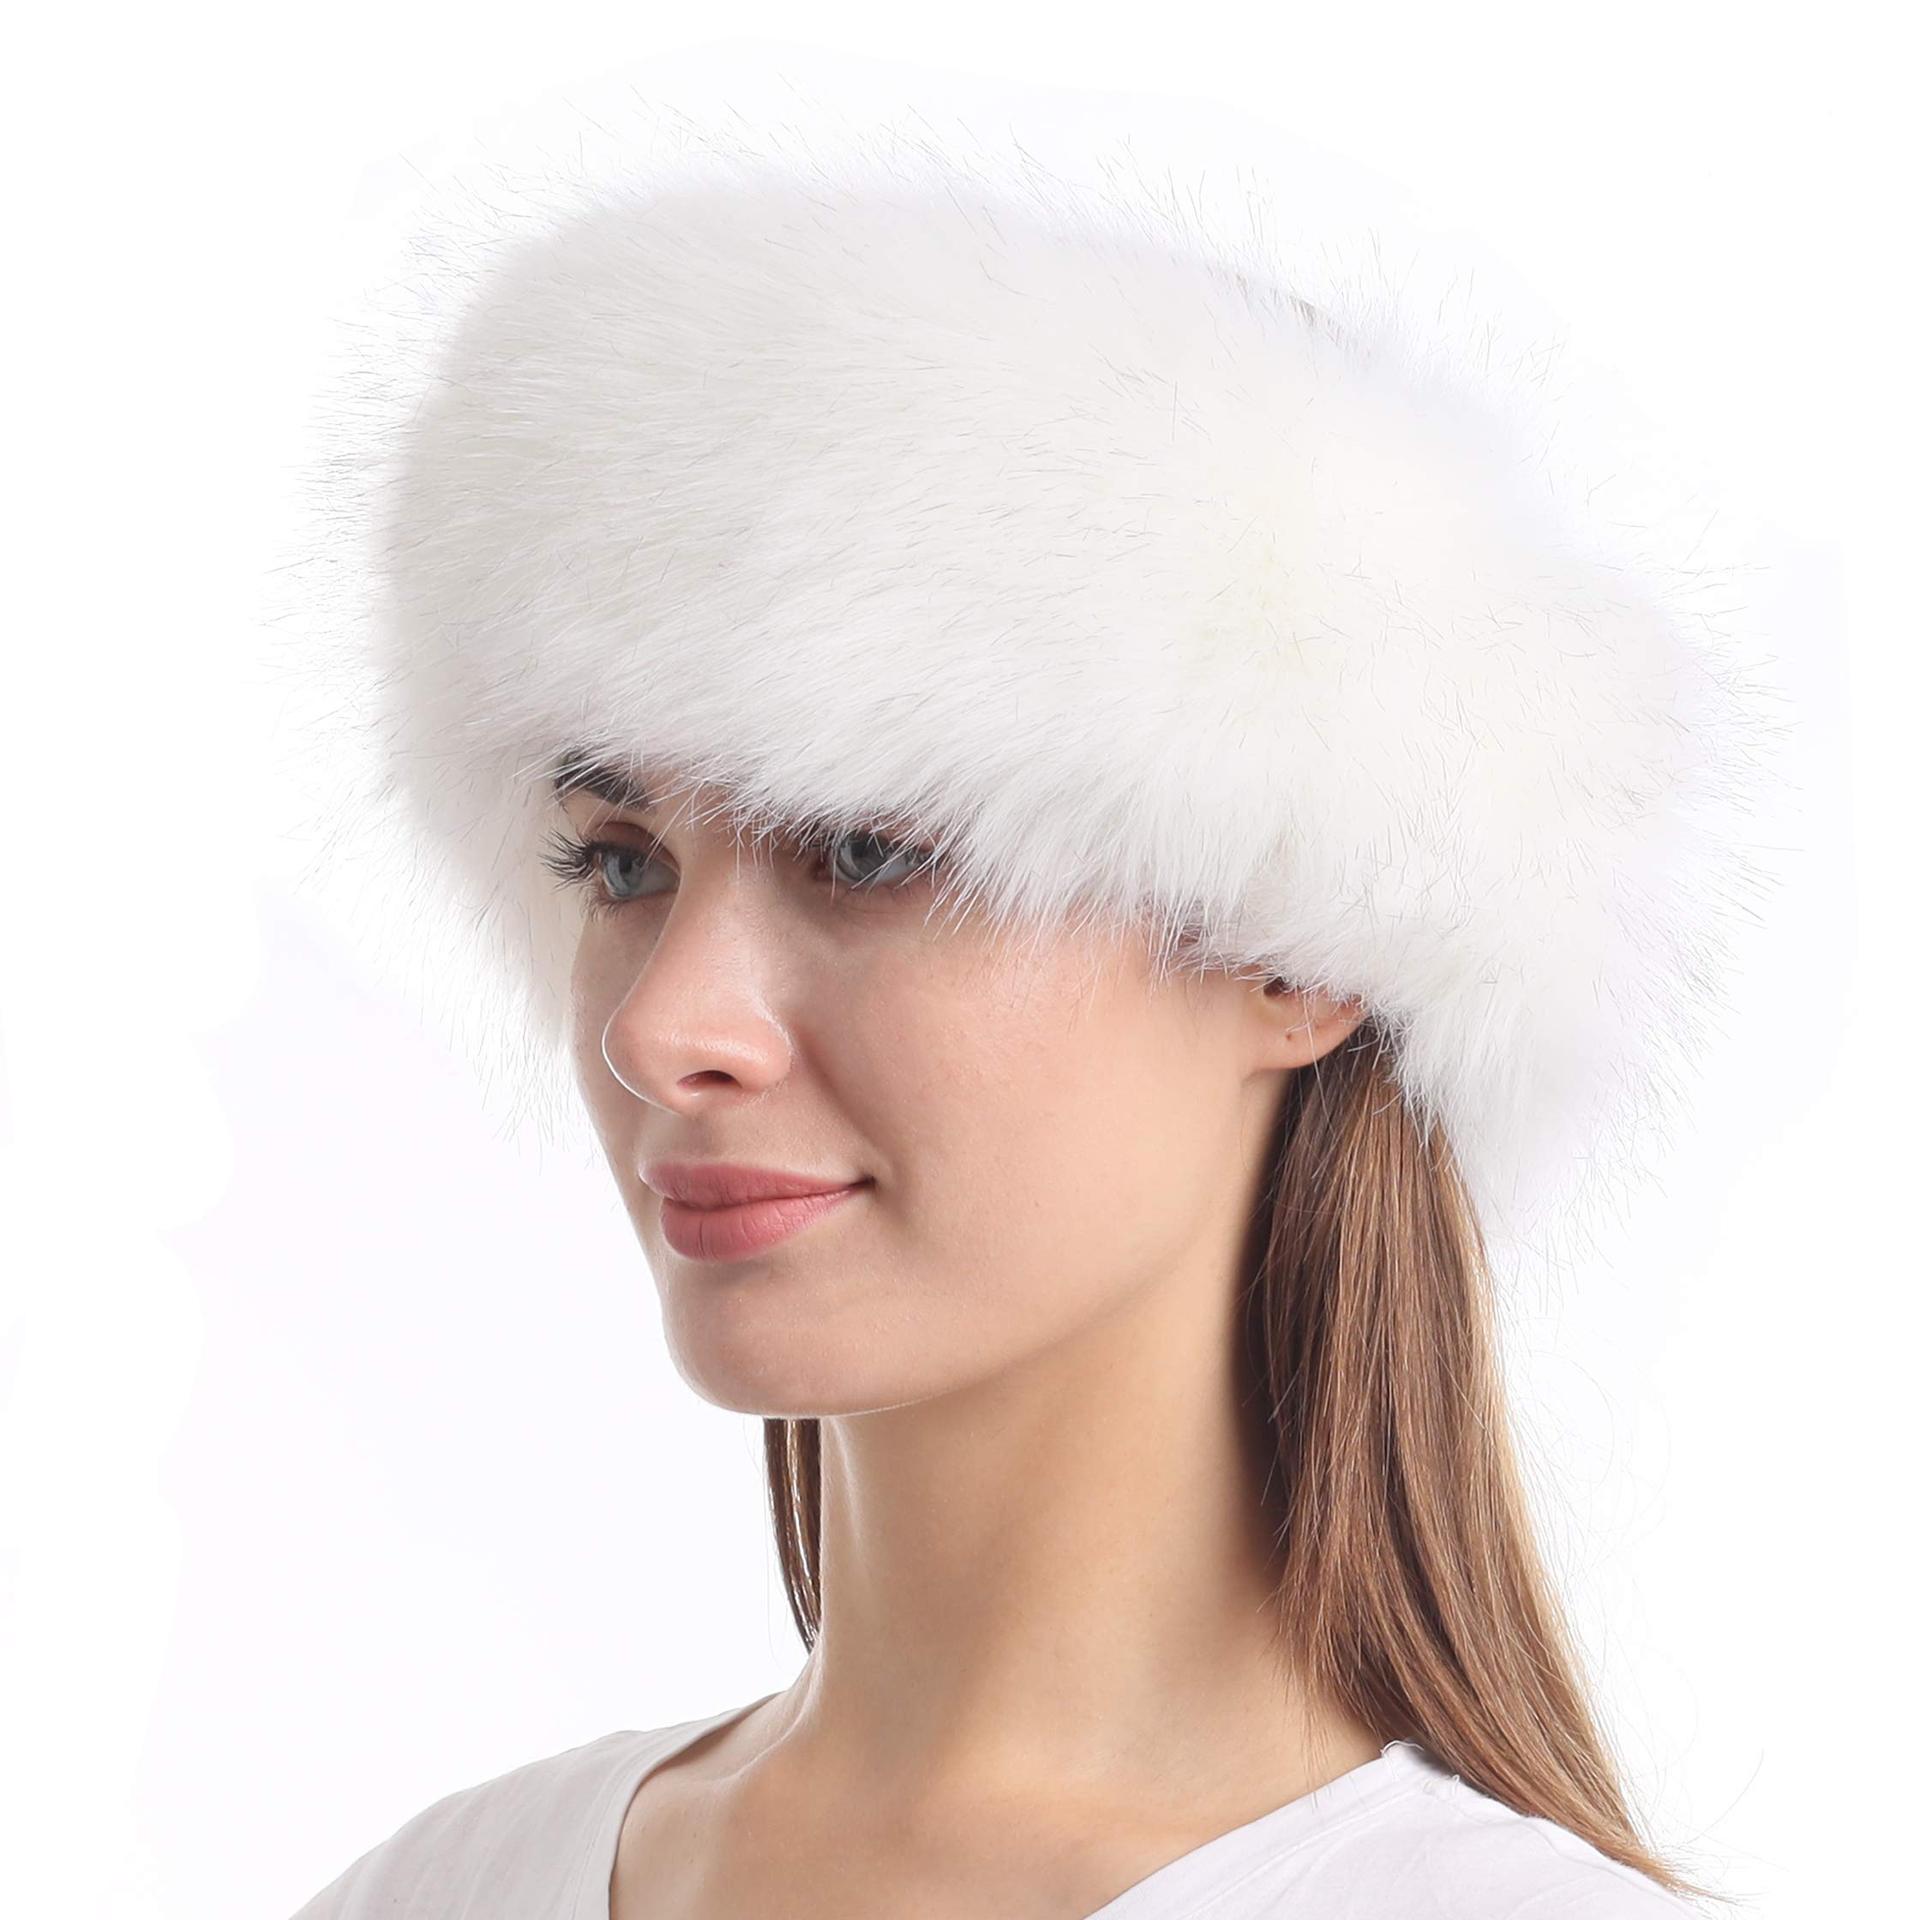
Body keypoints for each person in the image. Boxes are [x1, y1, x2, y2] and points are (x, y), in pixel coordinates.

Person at [280, 102, 1782, 1920]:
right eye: (617, 863)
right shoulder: (437, 1891)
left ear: (1299, 945)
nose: (661, 1026)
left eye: (868, 850)